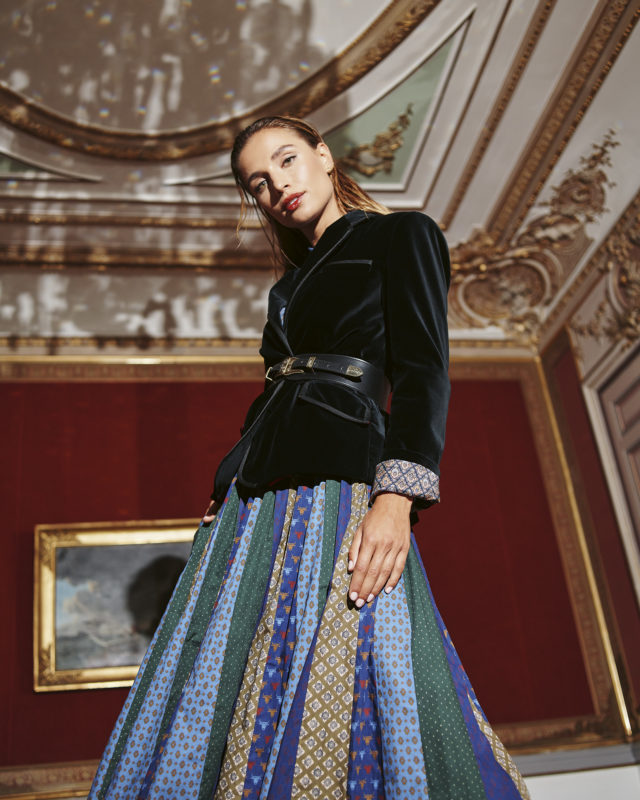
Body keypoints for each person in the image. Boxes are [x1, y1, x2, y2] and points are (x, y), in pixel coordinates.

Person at [88, 117, 530, 800]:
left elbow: (423, 372)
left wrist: (397, 497)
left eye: (288, 160)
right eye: (259, 184)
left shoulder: (402, 235)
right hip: (254, 492)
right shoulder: (285, 292)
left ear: (324, 156)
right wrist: (226, 481)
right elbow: (270, 395)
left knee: (367, 656)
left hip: (342, 474)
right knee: (231, 665)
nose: (278, 187)